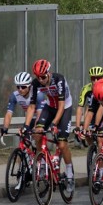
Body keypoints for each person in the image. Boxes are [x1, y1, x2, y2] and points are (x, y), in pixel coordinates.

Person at [23, 60, 75, 193]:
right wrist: (26, 125)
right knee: (37, 133)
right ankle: (43, 164)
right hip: (50, 107)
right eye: (38, 77)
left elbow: (62, 105)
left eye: (43, 77)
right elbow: (32, 106)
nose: (40, 80)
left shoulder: (59, 79)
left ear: (48, 73)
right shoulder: (35, 84)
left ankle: (69, 173)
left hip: (64, 108)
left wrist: (54, 124)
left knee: (62, 144)